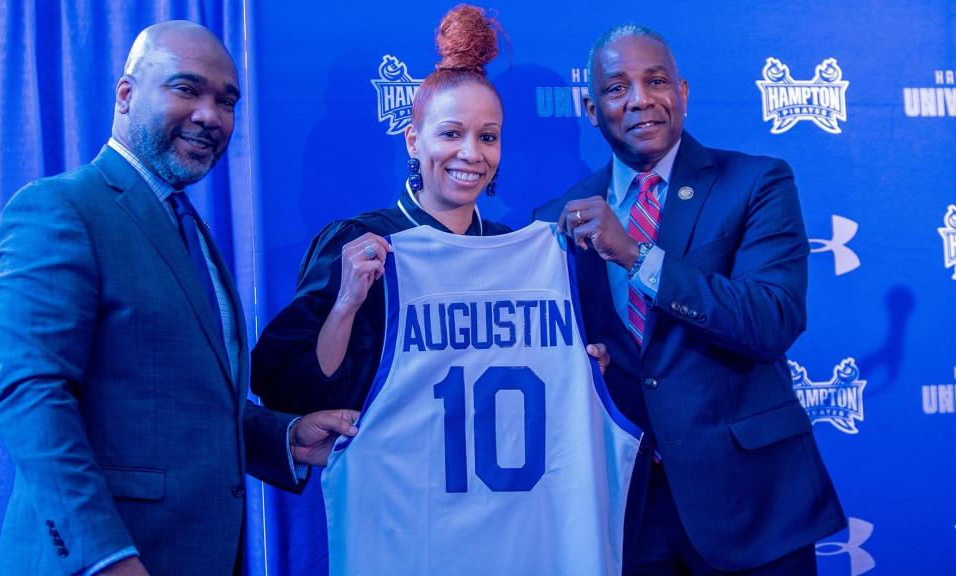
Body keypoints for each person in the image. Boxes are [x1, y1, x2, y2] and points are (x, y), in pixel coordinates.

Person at [0, 21, 358, 576]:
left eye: (226, 100)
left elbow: (179, 404)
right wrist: (106, 558)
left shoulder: (188, 228)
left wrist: (284, 437)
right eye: (187, 89)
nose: (211, 115)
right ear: (125, 94)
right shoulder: (59, 210)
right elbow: (32, 399)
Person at [534, 24, 846, 575]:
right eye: (616, 87)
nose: (640, 99)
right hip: (624, 509)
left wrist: (635, 255)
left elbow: (772, 320)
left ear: (683, 91)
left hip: (752, 504)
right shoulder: (555, 216)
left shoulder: (756, 182)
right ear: (589, 108)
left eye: (656, 81)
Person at [251, 5, 518, 413]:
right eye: (450, 133)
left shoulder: (514, 250)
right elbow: (286, 389)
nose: (471, 153)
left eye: (487, 136)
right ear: (413, 140)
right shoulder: (358, 243)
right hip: (388, 475)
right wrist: (345, 304)